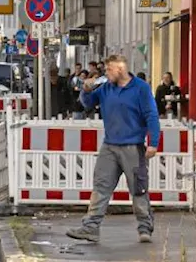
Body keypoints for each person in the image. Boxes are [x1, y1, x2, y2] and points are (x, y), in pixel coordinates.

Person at [67, 54, 161, 244]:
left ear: (120, 69)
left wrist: (153, 142)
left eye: (109, 70)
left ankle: (145, 227)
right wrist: (85, 90)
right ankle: (91, 227)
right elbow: (88, 104)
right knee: (101, 186)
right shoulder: (106, 89)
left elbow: (151, 115)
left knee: (138, 188)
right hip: (110, 145)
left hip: (133, 146)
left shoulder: (140, 89)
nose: (106, 73)